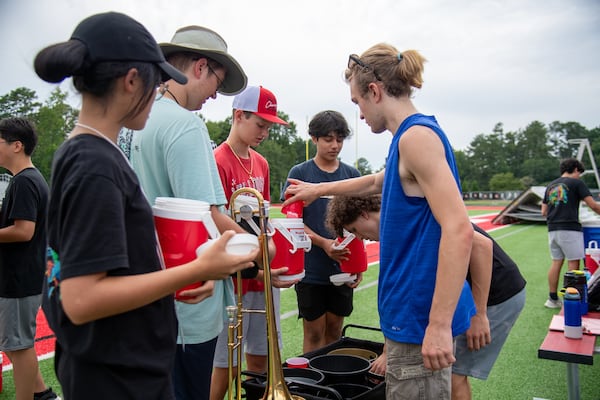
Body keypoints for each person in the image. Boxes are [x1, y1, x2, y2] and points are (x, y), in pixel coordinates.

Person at [34, 12, 256, 399]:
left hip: (114, 362)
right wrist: (199, 267)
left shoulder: (93, 152)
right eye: (155, 81)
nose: (158, 94)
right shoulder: (94, 164)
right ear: (132, 80)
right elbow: (81, 299)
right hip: (117, 374)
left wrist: (181, 279)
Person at [283, 44, 476, 399]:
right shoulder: (408, 137)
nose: (358, 115)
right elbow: (375, 181)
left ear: (375, 91)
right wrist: (317, 190)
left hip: (419, 315)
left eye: (357, 102)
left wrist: (437, 324)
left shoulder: (416, 138)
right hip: (413, 312)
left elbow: (460, 229)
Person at [123, 25, 264, 400]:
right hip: (187, 302)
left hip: (140, 292)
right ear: (200, 67)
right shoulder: (186, 126)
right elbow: (207, 217)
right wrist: (260, 254)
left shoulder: (132, 120)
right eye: (217, 81)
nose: (216, 94)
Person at [326, 195, 527, 400]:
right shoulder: (392, 227)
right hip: (468, 292)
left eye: (354, 229)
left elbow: (482, 246)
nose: (358, 237)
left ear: (364, 214)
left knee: (454, 375)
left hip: (497, 292)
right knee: (447, 370)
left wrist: (479, 313)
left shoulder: (408, 217)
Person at [211, 85, 295, 400]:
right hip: (234, 276)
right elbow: (216, 221)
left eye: (269, 126)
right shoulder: (218, 159)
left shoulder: (261, 163)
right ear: (238, 115)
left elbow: (263, 217)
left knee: (261, 354)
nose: (265, 132)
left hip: (261, 273)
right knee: (225, 362)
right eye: (260, 124)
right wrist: (258, 253)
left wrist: (269, 245)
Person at [281, 110, 361, 354]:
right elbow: (292, 219)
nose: (335, 145)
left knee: (335, 332)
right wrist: (323, 243)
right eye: (328, 139)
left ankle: (332, 383)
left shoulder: (351, 176)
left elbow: (360, 223)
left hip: (342, 267)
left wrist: (357, 264)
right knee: (314, 333)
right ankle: (312, 386)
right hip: (311, 267)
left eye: (339, 139)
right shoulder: (300, 174)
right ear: (314, 139)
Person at [0, 118, 58, 400]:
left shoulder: (25, 181)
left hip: (20, 278)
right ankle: (42, 393)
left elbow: (24, 231)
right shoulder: (27, 179)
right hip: (20, 276)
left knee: (19, 345)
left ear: (17, 145)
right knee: (13, 343)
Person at [541, 158, 600, 308]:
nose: (579, 176)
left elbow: (544, 211)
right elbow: (592, 205)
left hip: (552, 228)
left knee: (556, 262)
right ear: (575, 169)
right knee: (573, 262)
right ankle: (570, 300)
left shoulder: (550, 185)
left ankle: (552, 299)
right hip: (569, 228)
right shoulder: (577, 183)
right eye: (579, 173)